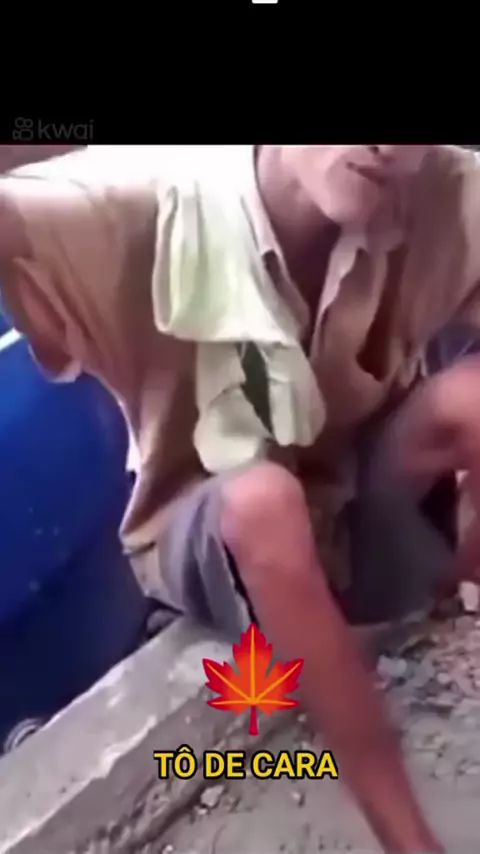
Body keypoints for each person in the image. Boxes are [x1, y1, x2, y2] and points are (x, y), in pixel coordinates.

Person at [2, 144, 480, 852]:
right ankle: (411, 842)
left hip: (355, 498)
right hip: (217, 521)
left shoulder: (440, 190)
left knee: (471, 400)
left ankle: (433, 591)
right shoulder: (137, 203)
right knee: (264, 502)